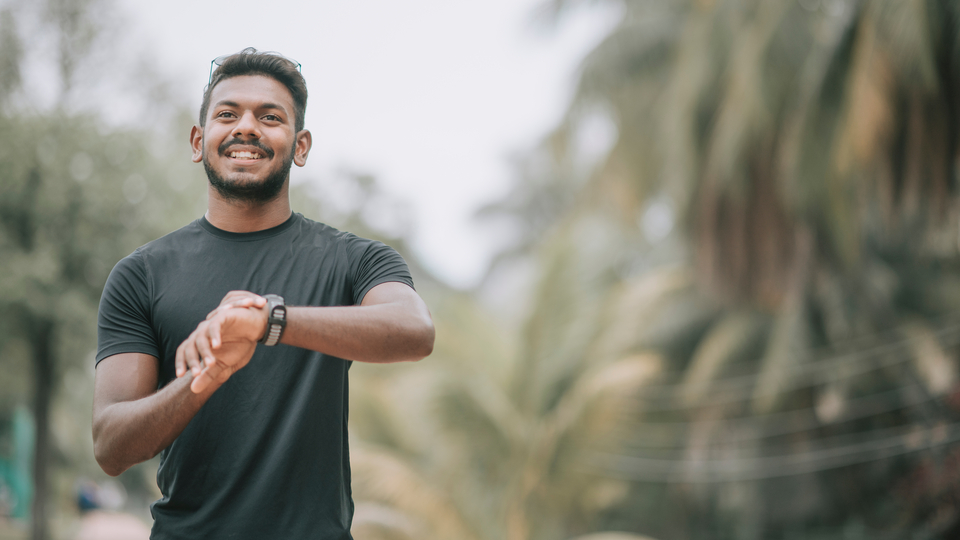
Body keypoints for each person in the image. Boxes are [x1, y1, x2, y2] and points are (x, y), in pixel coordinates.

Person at [91, 48, 435, 539]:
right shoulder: (141, 275)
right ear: (198, 140)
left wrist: (270, 320)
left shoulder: (354, 260)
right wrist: (203, 377)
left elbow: (415, 331)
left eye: (270, 117)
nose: (246, 128)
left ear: (301, 145)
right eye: (227, 114)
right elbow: (110, 447)